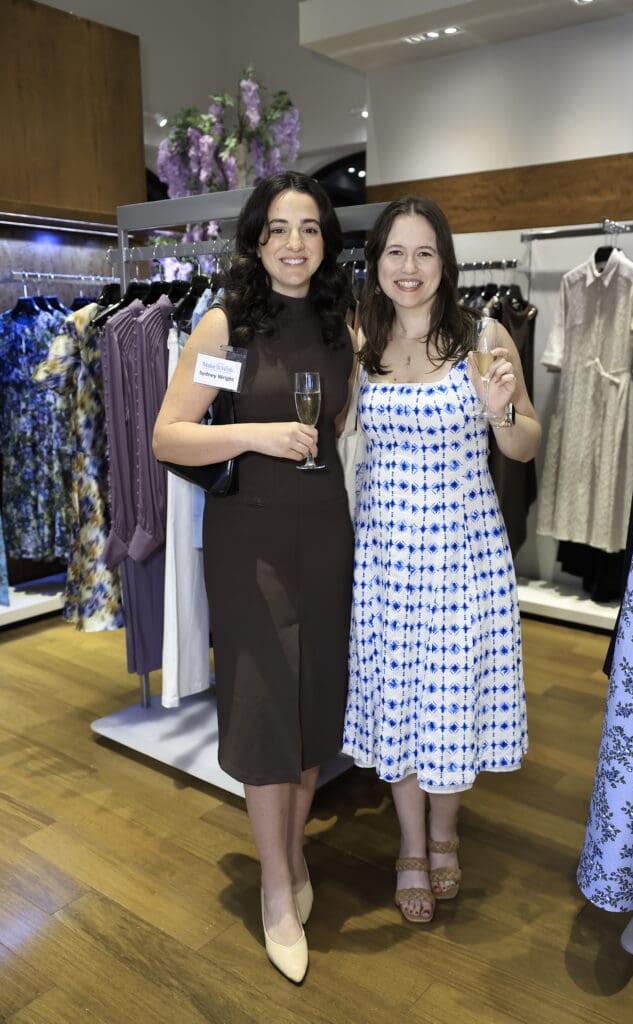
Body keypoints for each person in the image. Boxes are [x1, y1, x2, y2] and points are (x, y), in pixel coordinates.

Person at [153, 172, 355, 982]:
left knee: (310, 713)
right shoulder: (227, 326)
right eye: (279, 228)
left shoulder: (343, 328)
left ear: (325, 242)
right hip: (250, 546)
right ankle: (276, 884)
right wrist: (254, 435)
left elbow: (341, 430)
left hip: (326, 540)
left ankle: (293, 852)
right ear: (255, 239)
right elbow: (169, 436)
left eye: (309, 228)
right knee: (267, 709)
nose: (295, 243)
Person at [342, 195, 541, 924]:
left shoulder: (482, 334)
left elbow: (523, 444)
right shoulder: (361, 337)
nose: (409, 267)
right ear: (377, 263)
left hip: (462, 554)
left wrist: (500, 409)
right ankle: (409, 848)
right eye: (395, 251)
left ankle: (444, 833)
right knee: (399, 701)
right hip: (387, 556)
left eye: (425, 252)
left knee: (452, 701)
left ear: (445, 264)